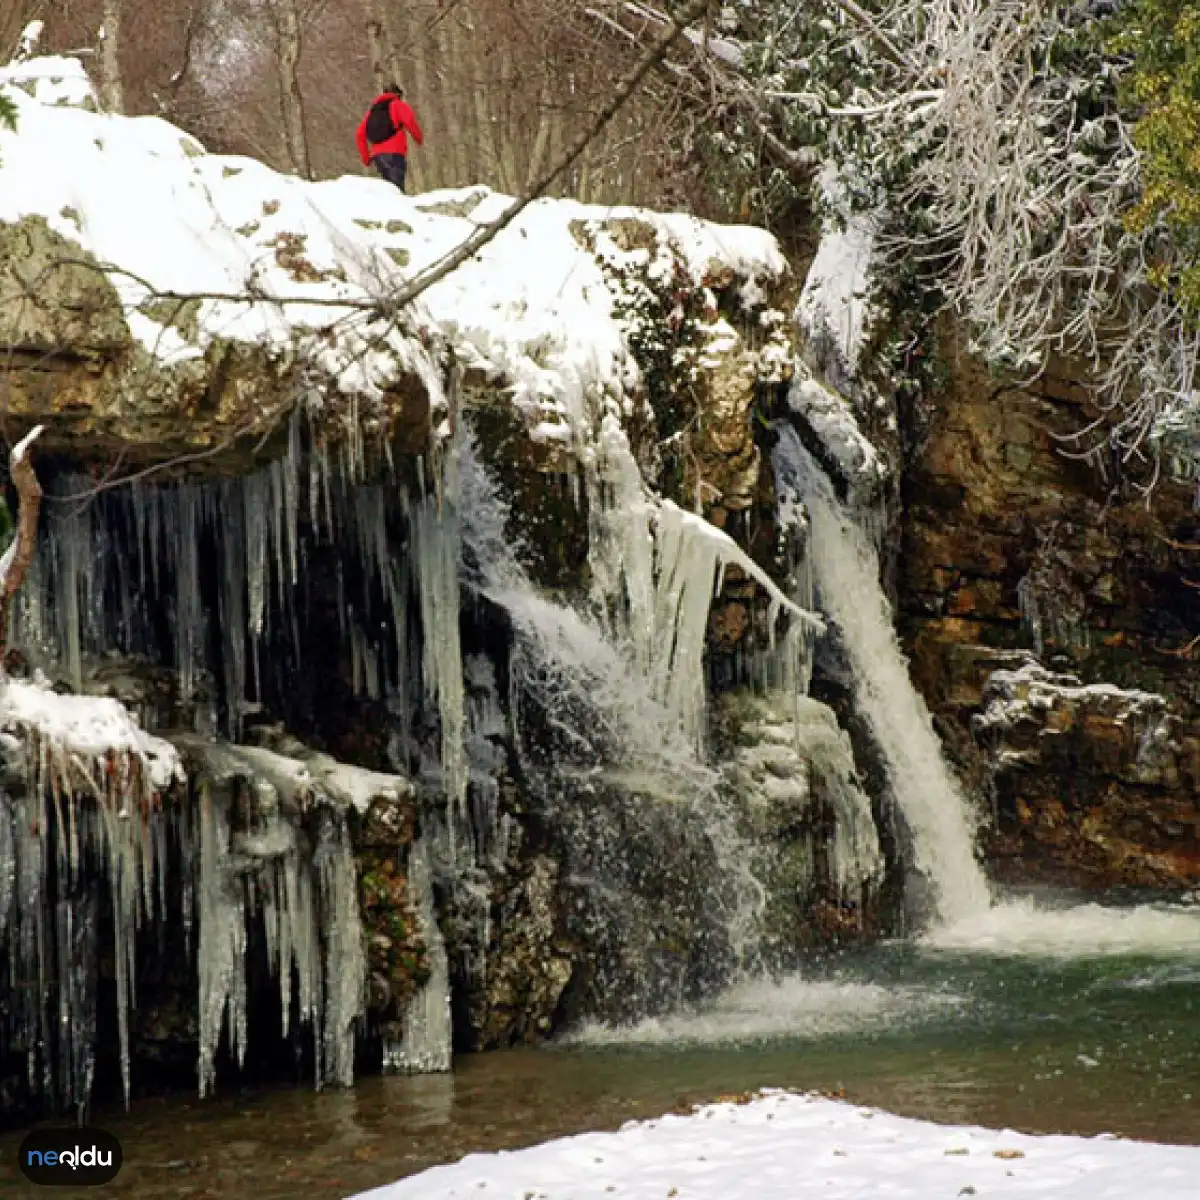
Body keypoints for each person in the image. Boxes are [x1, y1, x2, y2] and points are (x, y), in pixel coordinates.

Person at [356, 84, 423, 193]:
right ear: (398, 94)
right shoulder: (398, 105)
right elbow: (409, 121)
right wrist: (419, 138)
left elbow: (359, 134)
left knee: (388, 191)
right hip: (395, 153)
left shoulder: (372, 112)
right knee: (397, 189)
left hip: (377, 156)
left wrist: (366, 158)